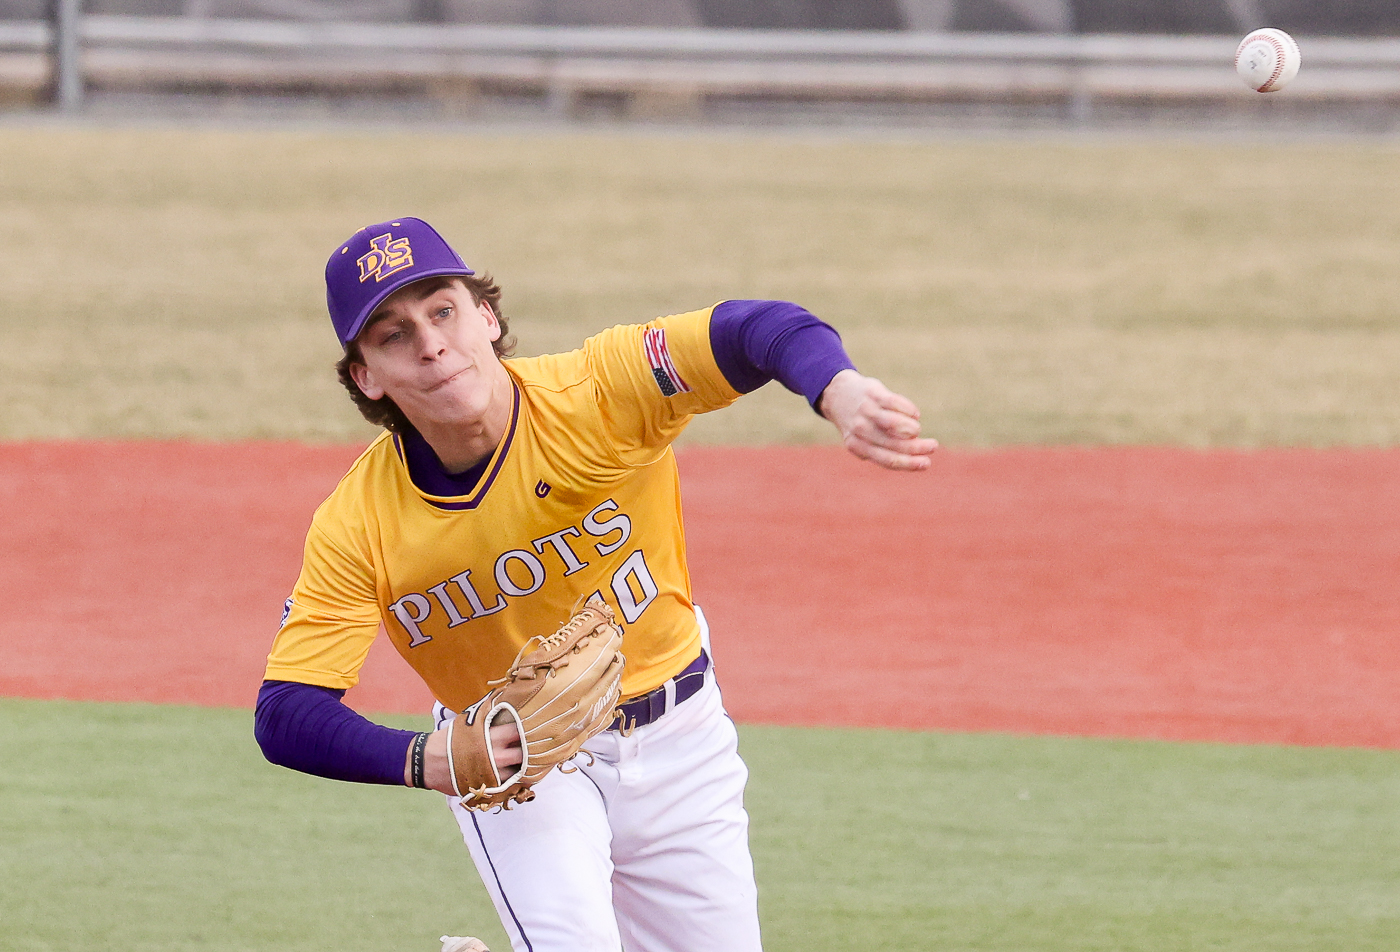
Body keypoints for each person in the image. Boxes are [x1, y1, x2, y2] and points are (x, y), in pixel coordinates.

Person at [254, 217, 937, 952]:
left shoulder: (601, 392)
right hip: (523, 762)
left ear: (485, 316)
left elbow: (754, 329)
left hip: (682, 742)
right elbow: (286, 711)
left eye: (443, 310)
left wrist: (837, 387)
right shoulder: (358, 523)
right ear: (366, 376)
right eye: (393, 335)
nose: (431, 344)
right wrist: (426, 759)